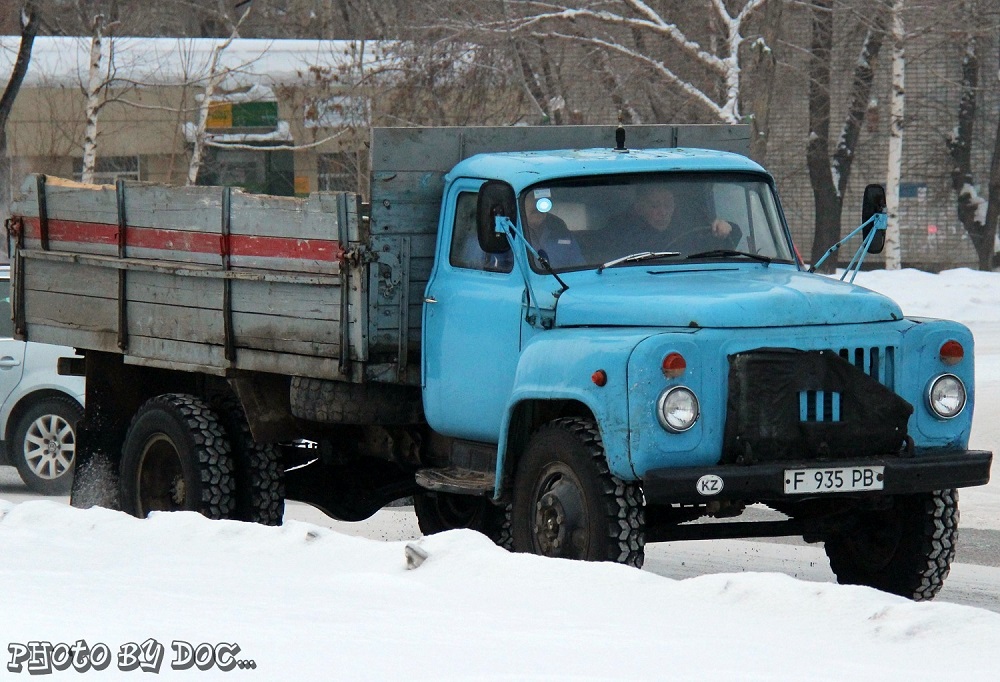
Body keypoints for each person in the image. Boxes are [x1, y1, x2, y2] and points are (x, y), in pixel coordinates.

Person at [610, 183, 741, 256]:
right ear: (639, 208)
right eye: (654, 206)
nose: (663, 212)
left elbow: (731, 238)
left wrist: (726, 227)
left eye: (668, 205)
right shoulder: (622, 235)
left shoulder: (689, 231)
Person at [522, 189, 584, 269]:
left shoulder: (561, 232)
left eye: (541, 209)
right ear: (522, 207)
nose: (538, 213)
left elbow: (579, 264)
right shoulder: (512, 234)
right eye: (534, 211)